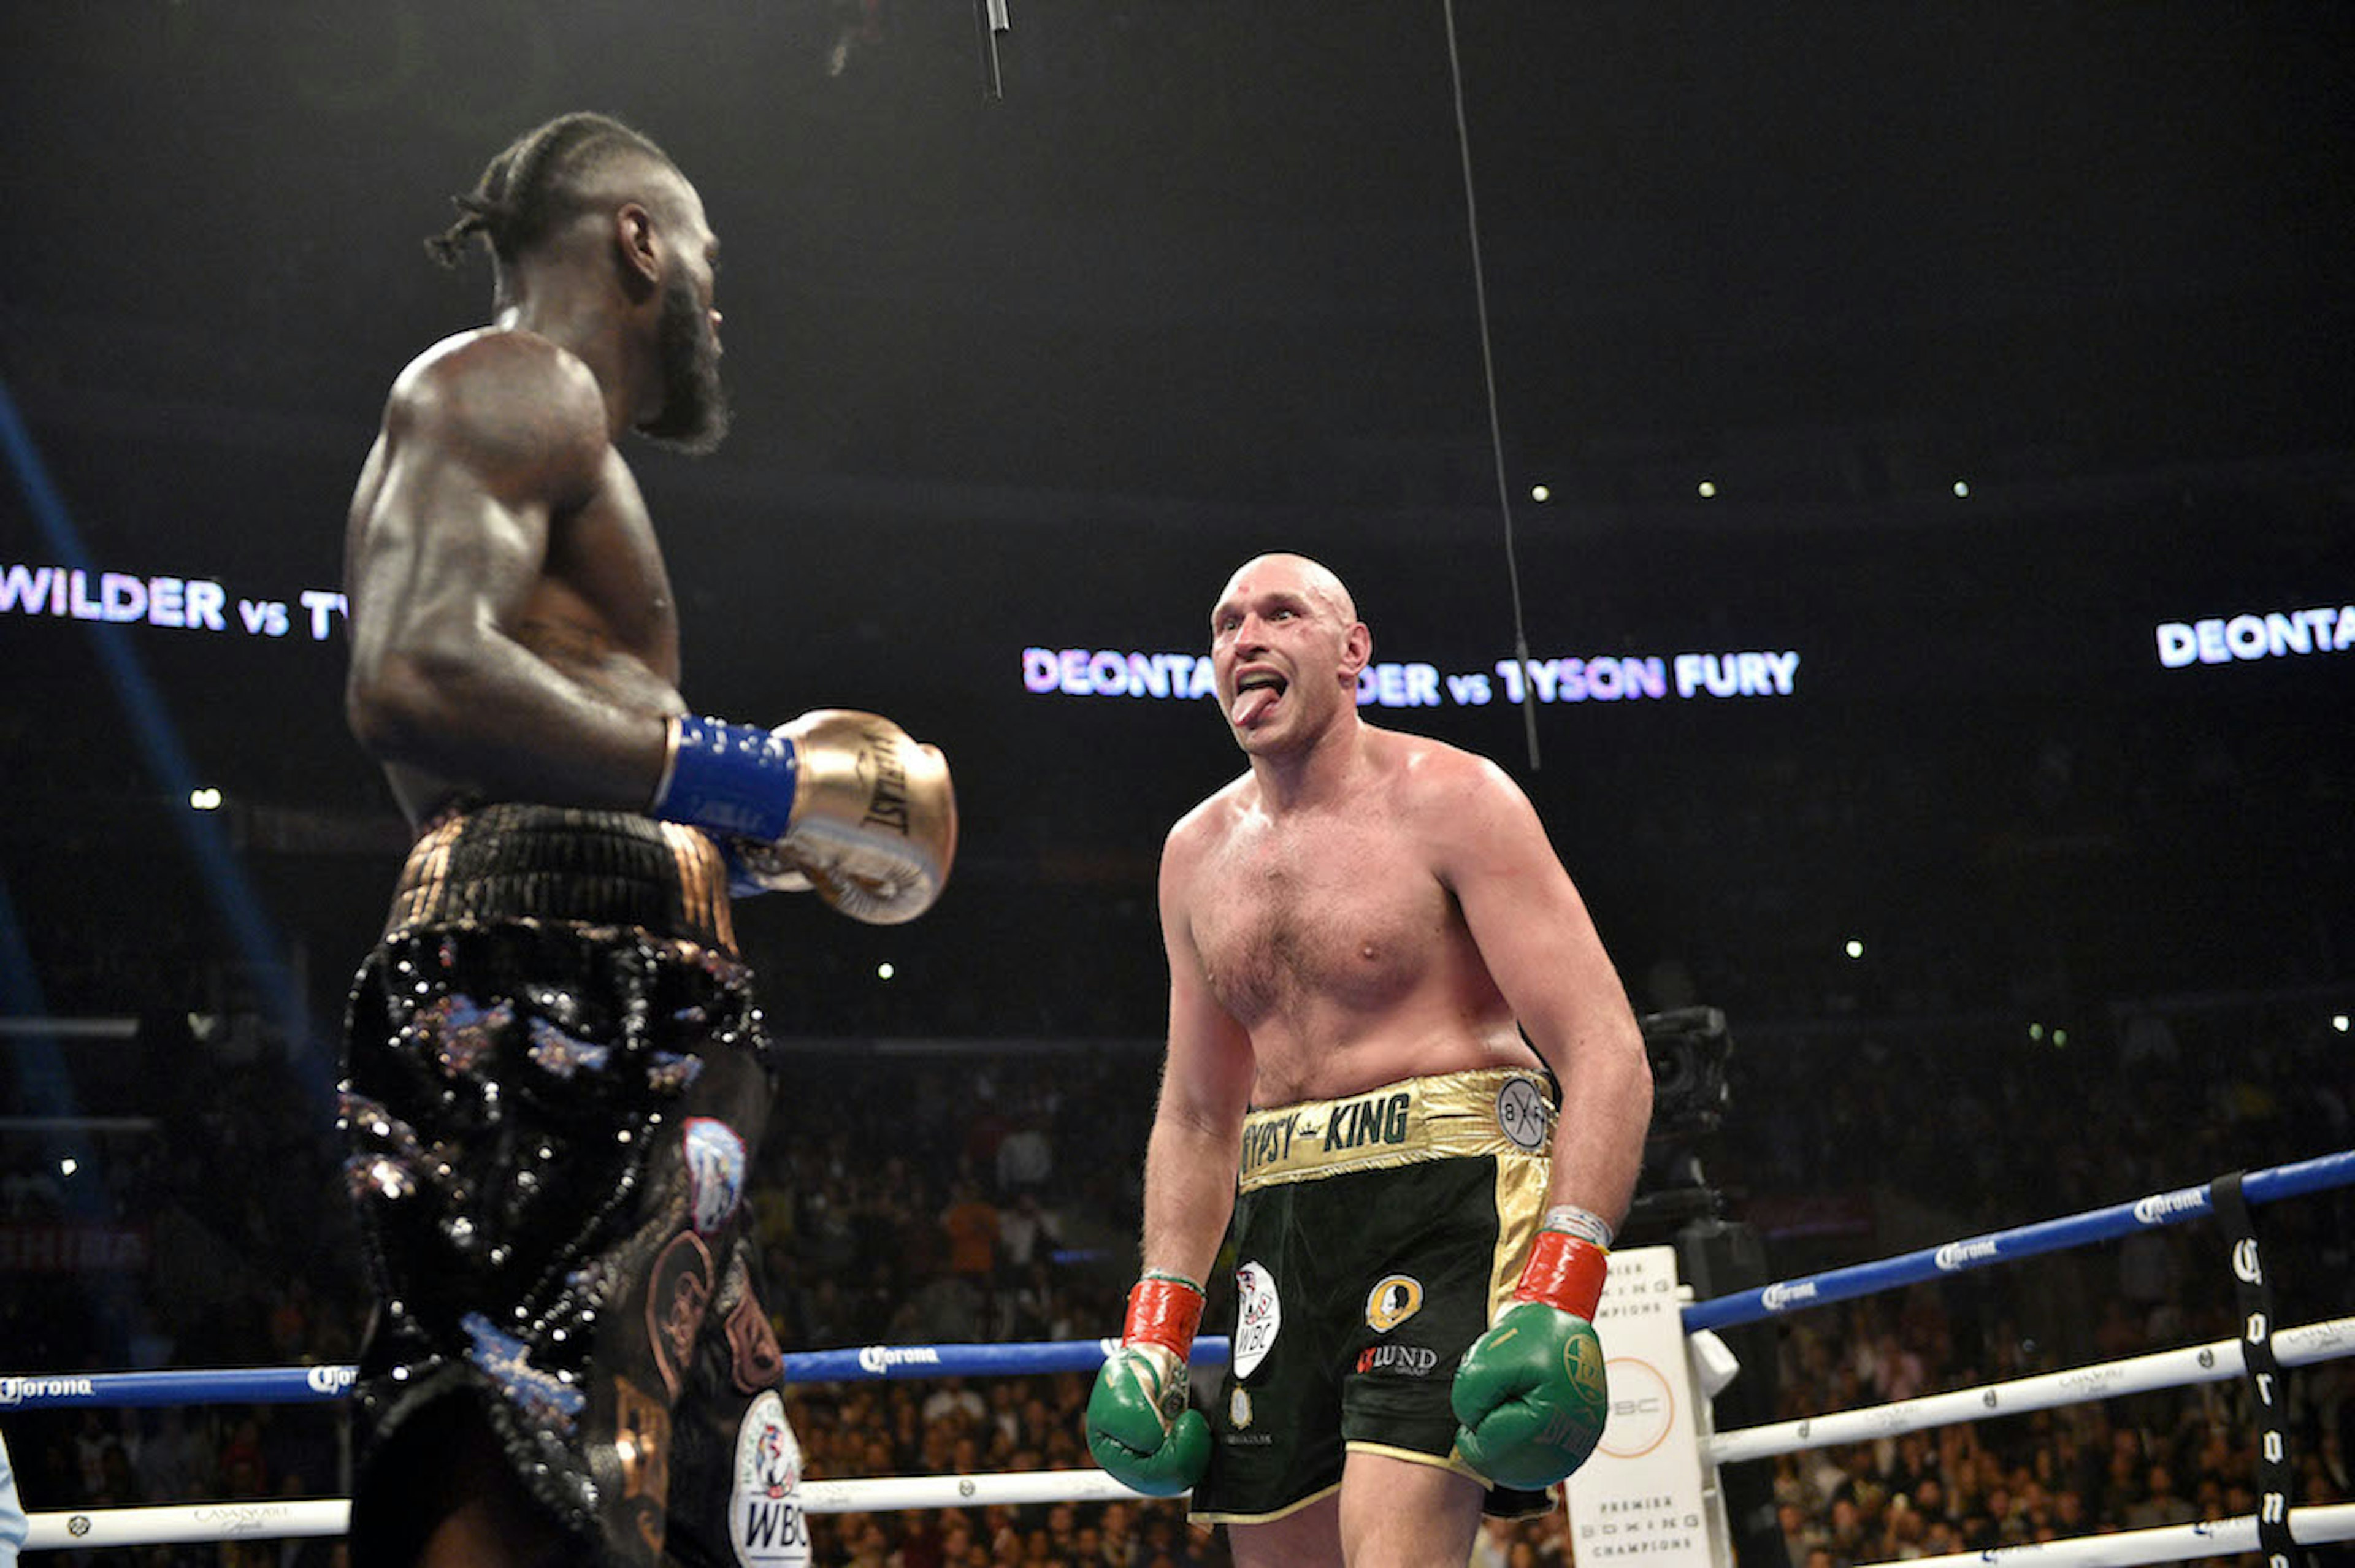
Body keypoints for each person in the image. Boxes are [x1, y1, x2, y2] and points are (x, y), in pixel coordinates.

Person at [338, 111, 954, 1566]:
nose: (718, 303)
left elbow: (504, 769)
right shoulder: (506, 382)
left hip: (635, 993)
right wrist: (737, 776)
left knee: (686, 1500)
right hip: (552, 1001)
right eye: (707, 260)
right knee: (522, 1442)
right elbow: (412, 672)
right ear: (638, 240)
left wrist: (746, 847)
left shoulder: (553, 437)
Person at [1086, 553, 1652, 1566]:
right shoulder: (1193, 853)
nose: (1243, 638)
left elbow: (1604, 1047)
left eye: (1279, 613)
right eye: (1224, 624)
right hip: (1282, 1228)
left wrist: (1561, 1290)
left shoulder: (1458, 798)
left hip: (1448, 1206)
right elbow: (1199, 1117)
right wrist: (1156, 1329)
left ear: (1353, 654)